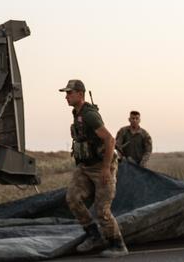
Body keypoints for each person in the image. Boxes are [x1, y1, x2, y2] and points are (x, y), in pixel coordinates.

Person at [60, 79, 128, 257]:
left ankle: (117, 245)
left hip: (101, 167)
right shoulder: (77, 113)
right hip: (86, 166)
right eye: (66, 93)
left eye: (69, 93)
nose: (66, 96)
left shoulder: (89, 115)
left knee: (102, 209)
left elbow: (110, 139)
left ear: (80, 94)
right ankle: (94, 235)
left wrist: (106, 169)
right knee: (73, 198)